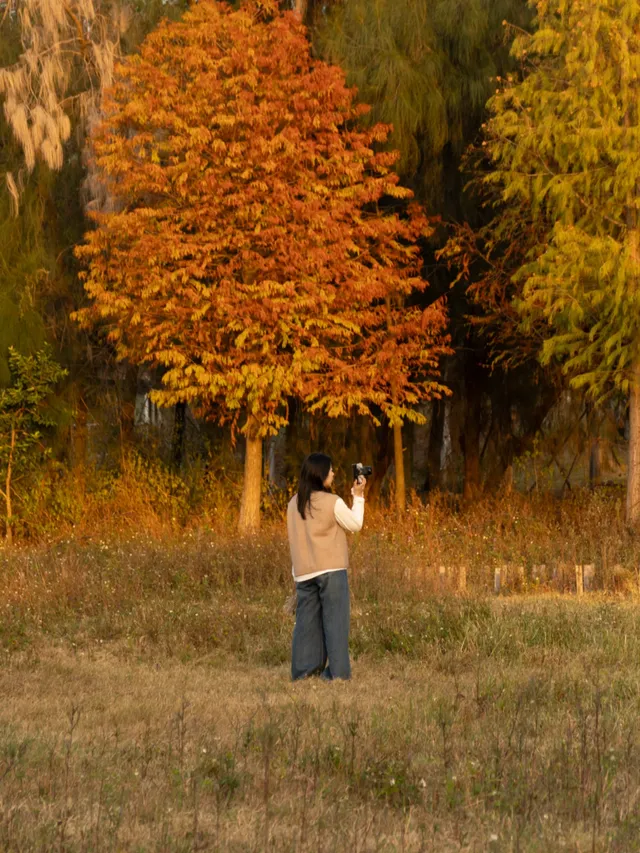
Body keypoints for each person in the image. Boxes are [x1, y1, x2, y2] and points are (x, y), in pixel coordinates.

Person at [287, 452, 366, 681]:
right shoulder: (333, 502)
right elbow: (355, 524)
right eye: (330, 470)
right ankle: (337, 674)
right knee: (336, 624)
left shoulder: (294, 503)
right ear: (321, 474)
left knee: (306, 626)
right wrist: (358, 496)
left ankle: (303, 673)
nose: (333, 473)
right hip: (331, 570)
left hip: (303, 572)